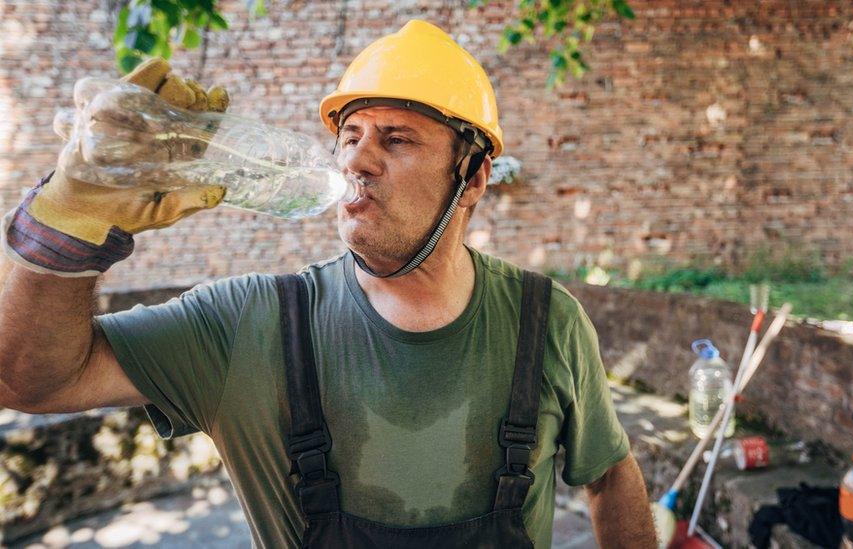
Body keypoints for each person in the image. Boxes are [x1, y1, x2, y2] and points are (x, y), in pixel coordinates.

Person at [0, 20, 656, 548]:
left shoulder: (549, 320)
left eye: (396, 140)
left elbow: (610, 475)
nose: (358, 160)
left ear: (475, 176)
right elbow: (31, 380)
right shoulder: (247, 323)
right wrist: (68, 224)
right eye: (350, 136)